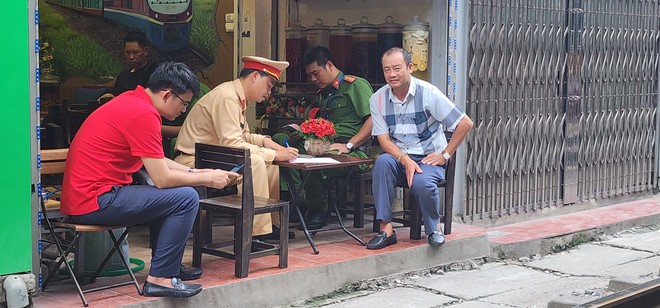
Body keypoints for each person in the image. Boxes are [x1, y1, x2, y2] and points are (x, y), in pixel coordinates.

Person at [60, 62, 238, 298]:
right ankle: (161, 279)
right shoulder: (143, 114)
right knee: (185, 197)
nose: (183, 110)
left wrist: (199, 171)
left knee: (172, 193)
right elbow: (162, 178)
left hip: (89, 197)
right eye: (184, 103)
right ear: (167, 94)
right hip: (94, 200)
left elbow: (156, 160)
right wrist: (206, 178)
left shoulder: (133, 102)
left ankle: (167, 265)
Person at [174, 56, 299, 241]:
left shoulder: (237, 97)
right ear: (255, 76)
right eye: (269, 85)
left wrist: (266, 142)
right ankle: (253, 234)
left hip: (215, 157)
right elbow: (233, 144)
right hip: (193, 161)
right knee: (254, 162)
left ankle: (268, 226)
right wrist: (274, 154)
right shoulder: (227, 97)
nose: (269, 92)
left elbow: (242, 136)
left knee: (270, 164)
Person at [367, 47, 473, 250]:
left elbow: (465, 123)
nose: (392, 74)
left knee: (422, 184)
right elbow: (384, 140)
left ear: (410, 67)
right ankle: (386, 229)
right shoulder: (378, 99)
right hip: (399, 158)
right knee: (381, 162)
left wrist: (445, 154)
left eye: (397, 68)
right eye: (386, 69)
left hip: (427, 158)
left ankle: (433, 229)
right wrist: (404, 159)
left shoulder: (428, 93)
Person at [273, 46, 374, 229]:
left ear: (329, 65)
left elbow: (373, 121)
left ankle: (317, 208)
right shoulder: (323, 94)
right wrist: (300, 130)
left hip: (352, 152)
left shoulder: (355, 86)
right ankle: (299, 200)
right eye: (310, 76)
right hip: (322, 145)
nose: (313, 79)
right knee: (280, 141)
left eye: (316, 73)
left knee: (311, 156)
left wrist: (350, 145)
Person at [111, 30, 159, 96]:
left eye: (135, 52)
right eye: (128, 53)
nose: (131, 57)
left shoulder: (153, 75)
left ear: (145, 51)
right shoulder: (122, 77)